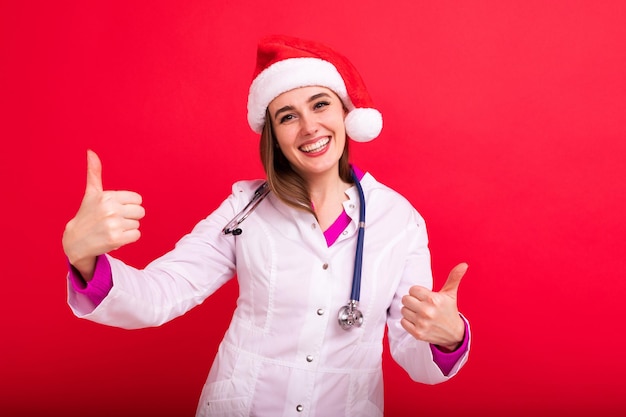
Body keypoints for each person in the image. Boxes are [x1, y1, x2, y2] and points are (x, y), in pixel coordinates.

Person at [63, 35, 471, 417]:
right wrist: (86, 261)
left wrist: (448, 337)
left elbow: (415, 356)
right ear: (273, 133)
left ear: (347, 113)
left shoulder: (398, 220)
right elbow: (160, 295)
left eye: (320, 104)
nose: (309, 127)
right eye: (288, 116)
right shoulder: (244, 208)